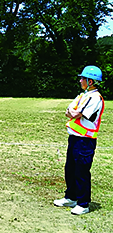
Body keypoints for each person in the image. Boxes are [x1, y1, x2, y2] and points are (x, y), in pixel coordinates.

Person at [54, 65, 105, 215]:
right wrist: (73, 112)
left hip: (85, 140)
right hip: (74, 138)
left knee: (81, 171)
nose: (80, 80)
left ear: (90, 81)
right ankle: (71, 197)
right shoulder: (82, 95)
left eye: (83, 78)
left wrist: (73, 113)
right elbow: (68, 111)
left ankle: (83, 203)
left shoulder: (96, 98)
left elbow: (76, 114)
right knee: (70, 168)